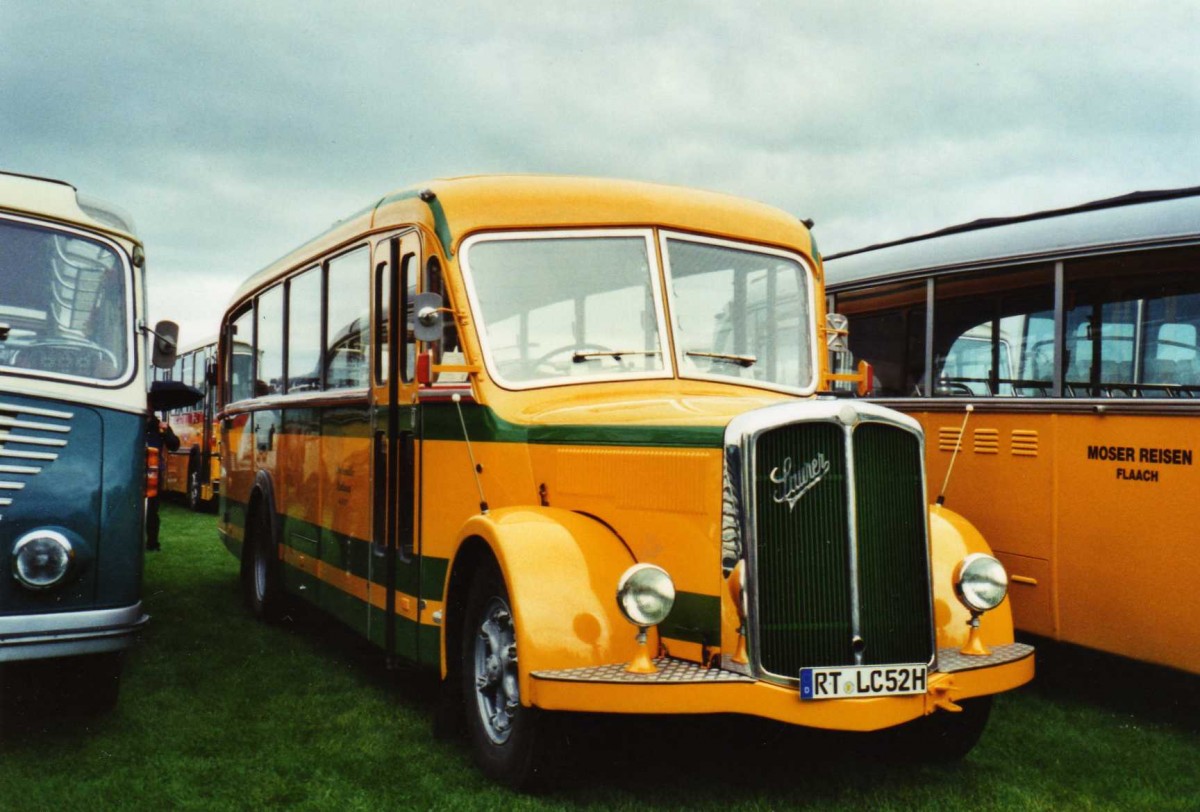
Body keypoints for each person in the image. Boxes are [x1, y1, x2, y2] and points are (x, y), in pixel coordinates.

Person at [145, 414, 179, 551]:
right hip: (134, 468)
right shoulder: (133, 421)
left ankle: (152, 543)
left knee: (152, 509)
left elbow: (174, 445)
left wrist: (167, 431)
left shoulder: (159, 426)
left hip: (153, 471)